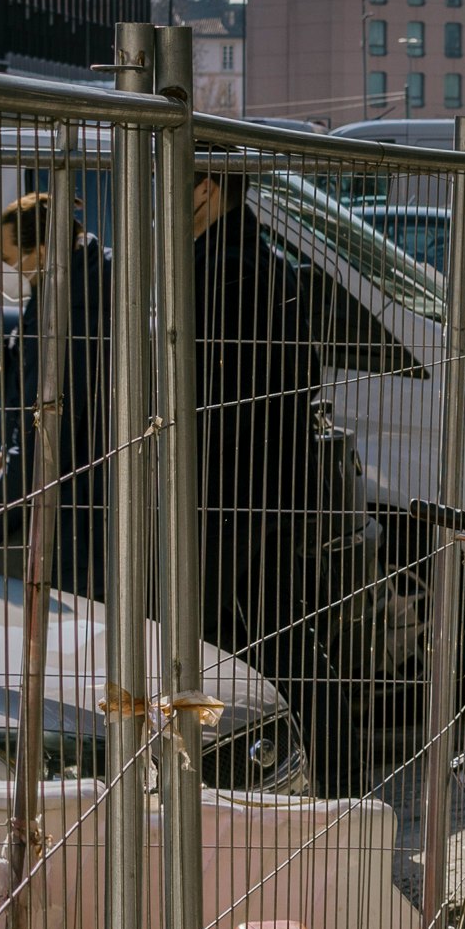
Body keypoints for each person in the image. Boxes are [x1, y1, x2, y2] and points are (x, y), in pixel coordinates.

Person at [186, 169, 333, 670]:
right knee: (275, 632)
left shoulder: (228, 267)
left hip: (232, 487)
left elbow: (220, 390)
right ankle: (317, 741)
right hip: (264, 484)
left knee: (223, 634)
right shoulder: (256, 256)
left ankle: (307, 740)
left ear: (206, 188)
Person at [0, 193, 113, 597]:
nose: (0, 270)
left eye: (5, 259)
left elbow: (44, 432)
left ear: (40, 251)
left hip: (78, 510)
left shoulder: (67, 317)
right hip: (92, 497)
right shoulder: (87, 285)